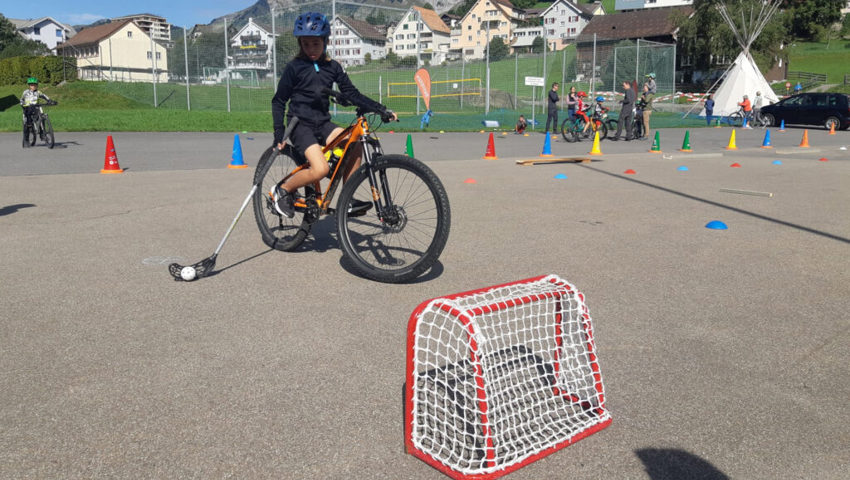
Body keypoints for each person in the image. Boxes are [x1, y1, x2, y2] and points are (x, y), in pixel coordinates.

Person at [271, 12, 396, 218]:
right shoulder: (294, 68)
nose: (311, 49)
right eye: (306, 44)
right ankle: (283, 190)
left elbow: (352, 93)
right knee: (320, 170)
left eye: (316, 44)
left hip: (323, 124)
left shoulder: (333, 67)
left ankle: (347, 199)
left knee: (355, 142)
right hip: (300, 125)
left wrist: (380, 109)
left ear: (325, 42)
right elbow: (278, 101)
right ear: (300, 44)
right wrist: (279, 133)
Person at [641, 73, 656, 140]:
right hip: (645, 109)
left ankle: (646, 135)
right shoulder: (646, 93)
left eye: (645, 87)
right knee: (644, 123)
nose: (644, 88)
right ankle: (644, 134)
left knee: (646, 123)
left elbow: (646, 101)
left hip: (647, 110)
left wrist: (643, 97)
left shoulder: (650, 93)